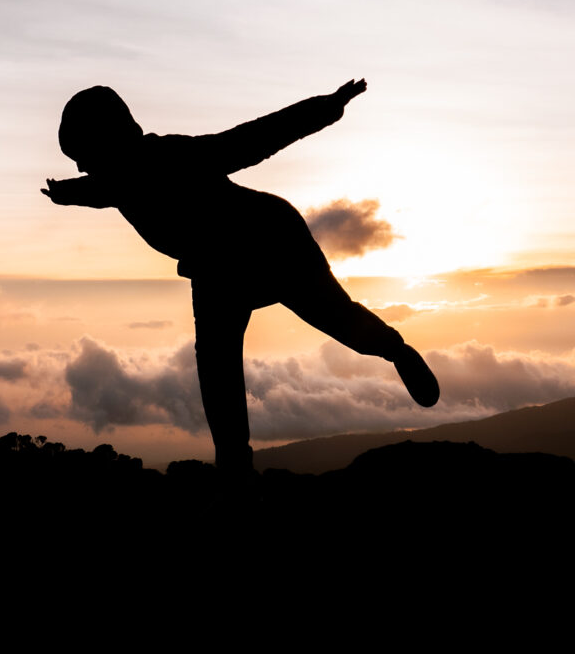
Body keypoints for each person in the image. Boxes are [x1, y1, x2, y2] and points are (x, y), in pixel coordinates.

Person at [43, 79, 439, 471]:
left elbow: (251, 140)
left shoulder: (172, 156)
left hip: (272, 240)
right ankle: (234, 475)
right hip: (216, 271)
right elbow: (99, 190)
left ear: (110, 140)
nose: (80, 166)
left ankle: (395, 350)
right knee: (215, 369)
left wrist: (326, 108)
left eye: (82, 154)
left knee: (334, 316)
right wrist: (66, 193)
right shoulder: (116, 179)